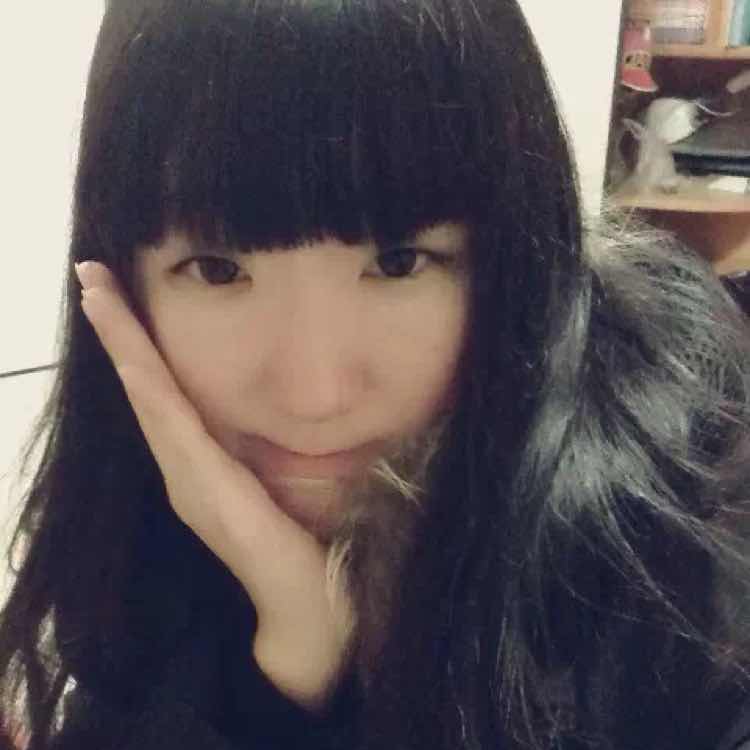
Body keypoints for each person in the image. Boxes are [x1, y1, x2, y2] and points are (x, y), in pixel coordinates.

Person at [2, 1, 750, 748]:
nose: (316, 394)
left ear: (515, 252)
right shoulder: (134, 530)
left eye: (398, 262)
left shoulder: (680, 564)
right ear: (125, 285)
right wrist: (293, 668)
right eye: (218, 269)